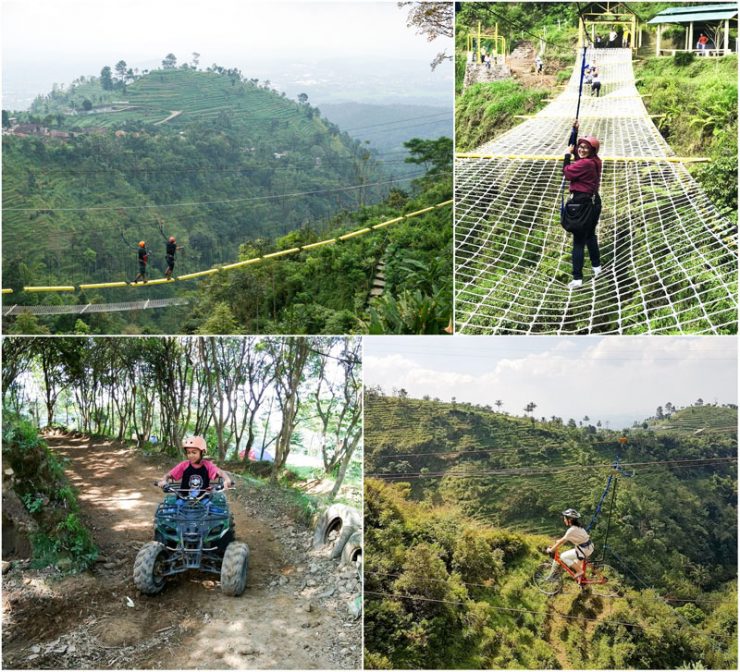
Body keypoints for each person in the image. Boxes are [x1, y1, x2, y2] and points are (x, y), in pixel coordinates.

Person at [563, 120, 602, 289]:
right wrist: (574, 132)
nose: (581, 149)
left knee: (578, 241)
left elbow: (567, 173)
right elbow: (575, 150)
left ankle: (577, 279)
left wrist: (566, 156)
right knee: (590, 235)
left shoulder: (585, 164)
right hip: (593, 202)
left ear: (592, 150)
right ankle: (597, 267)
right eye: (581, 146)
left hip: (582, 203)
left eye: (586, 147)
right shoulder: (594, 160)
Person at [157, 436, 233, 495]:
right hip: (183, 497)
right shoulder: (184, 465)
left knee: (215, 511)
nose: (191, 455)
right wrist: (164, 480)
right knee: (172, 510)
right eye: (188, 452)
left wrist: (227, 480)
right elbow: (168, 475)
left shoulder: (208, 465)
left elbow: (220, 472)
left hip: (204, 498)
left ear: (202, 452)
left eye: (194, 452)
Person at [547, 508, 594, 582]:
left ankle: (579, 571)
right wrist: (558, 541)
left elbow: (562, 541)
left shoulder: (571, 530)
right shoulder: (579, 527)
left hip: (583, 550)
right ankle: (583, 583)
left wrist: (551, 550)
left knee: (563, 556)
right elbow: (564, 539)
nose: (564, 520)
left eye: (565, 518)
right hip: (589, 547)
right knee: (575, 563)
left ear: (570, 519)